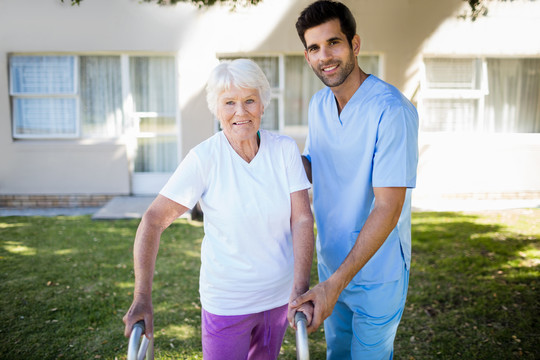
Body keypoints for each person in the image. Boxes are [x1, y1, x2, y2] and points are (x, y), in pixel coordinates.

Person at [123, 58, 315, 360]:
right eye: (229, 103)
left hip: (278, 299)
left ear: (263, 104)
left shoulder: (284, 150)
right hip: (227, 304)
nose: (241, 112)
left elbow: (302, 218)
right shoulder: (204, 158)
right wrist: (141, 297)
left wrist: (301, 288)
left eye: (250, 100)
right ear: (216, 109)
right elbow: (153, 220)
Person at [289, 1, 419, 359]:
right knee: (338, 354)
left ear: (355, 44)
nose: (325, 56)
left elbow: (388, 207)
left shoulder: (392, 111)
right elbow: (315, 165)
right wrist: (262, 156)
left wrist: (334, 285)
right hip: (331, 260)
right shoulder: (319, 105)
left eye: (334, 43)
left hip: (377, 271)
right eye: (314, 48)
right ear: (307, 56)